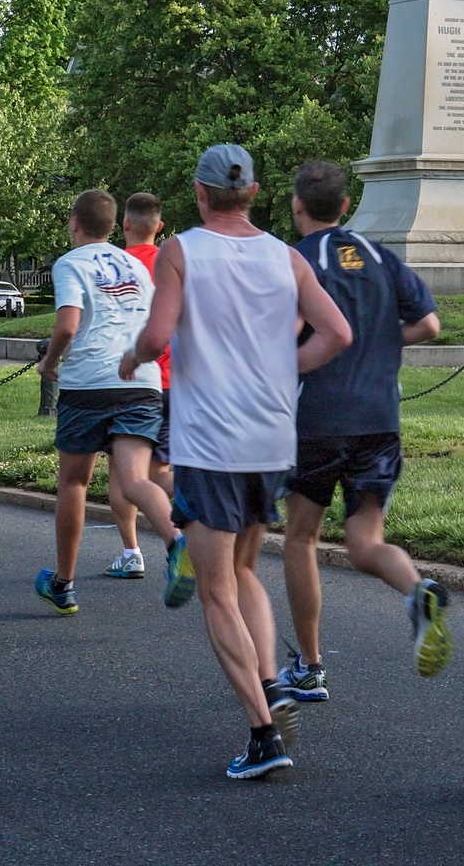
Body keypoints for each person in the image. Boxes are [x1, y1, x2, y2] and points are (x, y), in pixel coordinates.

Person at [119, 145, 352, 781]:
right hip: (271, 439)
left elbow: (161, 335)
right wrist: (281, 370)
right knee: (246, 565)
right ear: (254, 192)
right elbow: (337, 334)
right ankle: (272, 680)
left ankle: (262, 732)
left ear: (199, 193)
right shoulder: (286, 256)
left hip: (209, 442)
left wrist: (132, 358)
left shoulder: (182, 251)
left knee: (215, 587)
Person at [276, 160, 452, 704]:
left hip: (318, 418)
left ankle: (309, 666)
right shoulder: (379, 256)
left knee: (301, 537)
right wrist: (383, 342)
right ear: (347, 205)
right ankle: (417, 590)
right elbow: (429, 324)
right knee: (364, 540)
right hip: (381, 418)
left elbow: (290, 331)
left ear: (297, 206)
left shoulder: (294, 260)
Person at [34, 190, 194, 618]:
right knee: (137, 479)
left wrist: (49, 364)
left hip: (89, 383)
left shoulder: (71, 263)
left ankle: (63, 585)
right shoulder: (136, 265)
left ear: (74, 223)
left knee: (74, 484)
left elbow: (68, 326)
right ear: (113, 224)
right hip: (140, 380)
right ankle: (178, 545)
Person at [105, 192, 174, 578]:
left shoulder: (115, 264)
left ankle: (132, 551)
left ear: (124, 224)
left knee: (124, 472)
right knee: (159, 470)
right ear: (159, 227)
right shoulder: (173, 262)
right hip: (176, 379)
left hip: (132, 378)